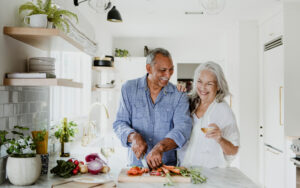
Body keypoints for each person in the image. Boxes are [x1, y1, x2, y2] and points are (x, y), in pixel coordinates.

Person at [113, 48, 192, 169]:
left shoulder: (179, 95)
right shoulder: (129, 89)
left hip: (167, 168)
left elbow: (183, 128)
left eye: (171, 70)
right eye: (163, 70)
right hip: (136, 166)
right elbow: (120, 123)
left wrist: (160, 147)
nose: (168, 75)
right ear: (149, 68)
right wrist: (133, 136)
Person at [177, 61, 240, 168]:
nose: (203, 87)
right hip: (183, 169)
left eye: (209, 83)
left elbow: (233, 150)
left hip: (210, 174)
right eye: (200, 82)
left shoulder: (224, 111)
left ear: (218, 86)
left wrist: (220, 139)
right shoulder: (188, 103)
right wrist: (176, 94)